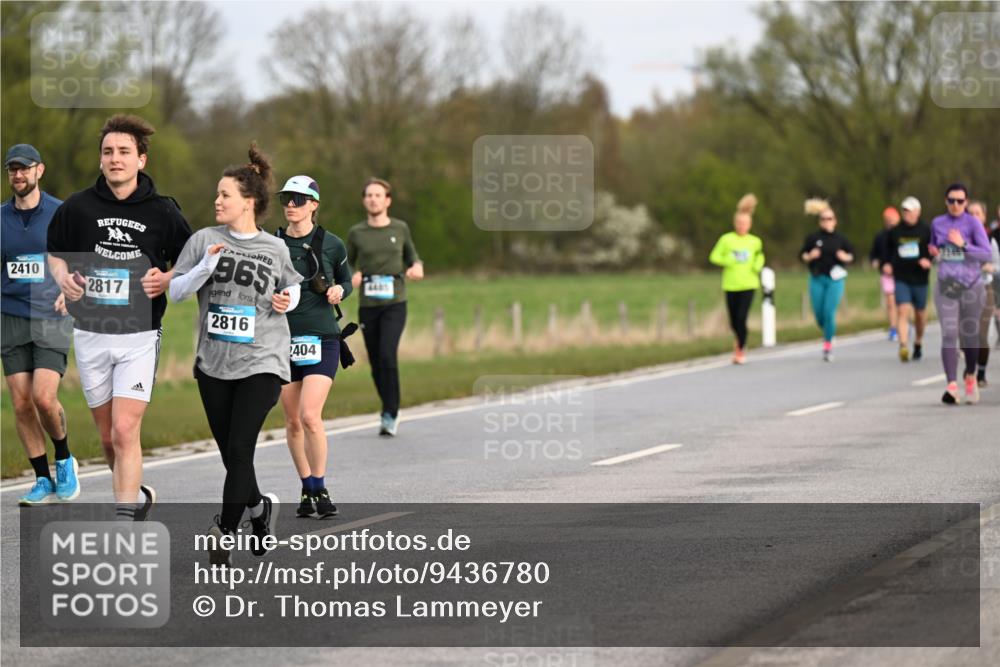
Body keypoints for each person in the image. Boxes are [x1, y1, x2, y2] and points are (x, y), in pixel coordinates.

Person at [47, 115, 192, 520]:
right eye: (108, 152)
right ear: (100, 160)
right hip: (90, 333)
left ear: (142, 160)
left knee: (126, 430)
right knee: (109, 440)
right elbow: (55, 251)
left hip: (139, 334)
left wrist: (167, 278)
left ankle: (124, 521)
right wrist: (63, 280)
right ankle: (134, 491)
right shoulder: (77, 207)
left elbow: (191, 258)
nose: (116, 159)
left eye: (125, 152)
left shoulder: (163, 211)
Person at [169, 145, 303, 566]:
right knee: (231, 453)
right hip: (213, 362)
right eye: (217, 194)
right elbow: (175, 291)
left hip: (263, 358)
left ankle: (224, 531)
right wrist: (203, 269)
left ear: (248, 201)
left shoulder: (274, 247)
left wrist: (287, 299)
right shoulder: (203, 240)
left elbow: (293, 286)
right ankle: (259, 510)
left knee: (241, 447)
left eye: (225, 195)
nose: (217, 201)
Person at [2, 144, 79, 505]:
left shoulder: (62, 213)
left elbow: (83, 260)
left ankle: (64, 460)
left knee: (43, 398)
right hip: (11, 316)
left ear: (39, 171)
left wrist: (72, 288)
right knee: (20, 404)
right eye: (12, 170)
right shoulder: (0, 218)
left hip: (52, 314)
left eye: (24, 168)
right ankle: (41, 479)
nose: (18, 175)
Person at [274, 175, 353, 519]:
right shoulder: (271, 243)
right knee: (292, 422)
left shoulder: (332, 244)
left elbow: (347, 280)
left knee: (310, 415)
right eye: (286, 199)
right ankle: (306, 487)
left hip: (322, 338)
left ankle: (320, 487)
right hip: (281, 342)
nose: (290, 205)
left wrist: (340, 291)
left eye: (298, 199)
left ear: (314, 205)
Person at [346, 178, 423, 436]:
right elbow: (346, 264)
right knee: (377, 361)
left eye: (378, 195)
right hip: (368, 305)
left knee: (388, 355)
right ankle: (388, 406)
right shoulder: (357, 233)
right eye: (369, 195)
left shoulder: (400, 228)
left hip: (395, 303)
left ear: (387, 200)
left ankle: (391, 411)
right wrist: (351, 276)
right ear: (364, 200)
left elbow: (413, 257)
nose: (373, 199)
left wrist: (416, 267)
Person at [929, 184, 992, 405]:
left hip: (972, 286)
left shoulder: (973, 223)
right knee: (949, 333)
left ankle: (971, 376)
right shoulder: (937, 223)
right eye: (951, 200)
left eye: (960, 201)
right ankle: (951, 386)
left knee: (970, 335)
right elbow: (934, 245)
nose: (955, 205)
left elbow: (986, 255)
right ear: (945, 201)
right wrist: (934, 250)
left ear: (966, 202)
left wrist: (963, 244)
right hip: (947, 285)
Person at [708, 193, 765, 364]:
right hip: (730, 285)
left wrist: (757, 266)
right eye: (739, 223)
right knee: (733, 321)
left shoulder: (755, 241)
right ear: (735, 224)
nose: (742, 226)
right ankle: (739, 340)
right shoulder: (727, 239)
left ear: (750, 224)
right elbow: (714, 256)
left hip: (749, 284)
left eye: (745, 223)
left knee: (741, 317)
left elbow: (760, 257)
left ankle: (740, 349)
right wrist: (729, 260)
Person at [800, 199, 855, 361]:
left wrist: (845, 256)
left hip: (835, 279)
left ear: (835, 221)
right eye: (823, 219)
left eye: (830, 219)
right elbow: (802, 255)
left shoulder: (840, 239)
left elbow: (852, 255)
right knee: (819, 315)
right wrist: (810, 256)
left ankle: (827, 345)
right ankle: (829, 331)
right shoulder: (813, 238)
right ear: (819, 221)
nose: (827, 222)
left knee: (829, 312)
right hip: (817, 278)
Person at [886, 197, 932, 362]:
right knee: (903, 310)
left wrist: (928, 261)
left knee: (920, 315)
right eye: (904, 210)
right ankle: (903, 346)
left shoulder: (926, 230)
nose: (907, 214)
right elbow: (888, 252)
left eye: (910, 210)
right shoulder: (895, 231)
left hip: (920, 278)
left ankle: (918, 342)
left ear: (917, 212)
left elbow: (933, 250)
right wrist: (887, 264)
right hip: (901, 277)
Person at [968, 200, 997, 386]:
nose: (974, 217)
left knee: (981, 335)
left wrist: (991, 267)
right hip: (964, 291)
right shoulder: (959, 239)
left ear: (984, 217)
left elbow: (997, 264)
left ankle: (980, 372)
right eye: (970, 213)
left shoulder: (990, 239)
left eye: (977, 213)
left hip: (985, 289)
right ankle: (969, 369)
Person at [870, 207, 900, 341]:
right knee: (890, 301)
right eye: (888, 220)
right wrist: (875, 262)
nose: (890, 222)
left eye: (892, 220)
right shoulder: (880, 236)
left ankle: (903, 323)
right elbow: (874, 253)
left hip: (901, 272)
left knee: (903, 302)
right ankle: (893, 328)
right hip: (886, 273)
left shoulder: (902, 235)